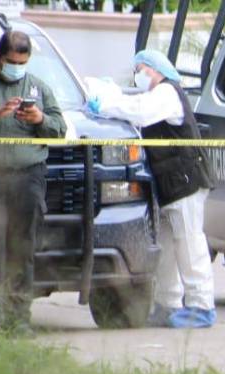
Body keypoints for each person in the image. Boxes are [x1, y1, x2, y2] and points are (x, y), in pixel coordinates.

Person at [87, 50, 217, 328]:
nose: (138, 75)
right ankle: (168, 305)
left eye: (140, 69)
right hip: (169, 186)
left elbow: (140, 111)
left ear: (155, 69)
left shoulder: (168, 93)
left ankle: (201, 306)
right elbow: (137, 107)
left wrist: (107, 104)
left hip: (186, 181)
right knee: (167, 248)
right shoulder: (156, 95)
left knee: (189, 244)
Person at [0, 30, 66, 333]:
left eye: (22, 62)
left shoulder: (38, 88)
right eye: (11, 62)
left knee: (22, 249)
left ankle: (18, 318)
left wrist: (40, 120)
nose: (16, 67)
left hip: (28, 178)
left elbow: (60, 129)